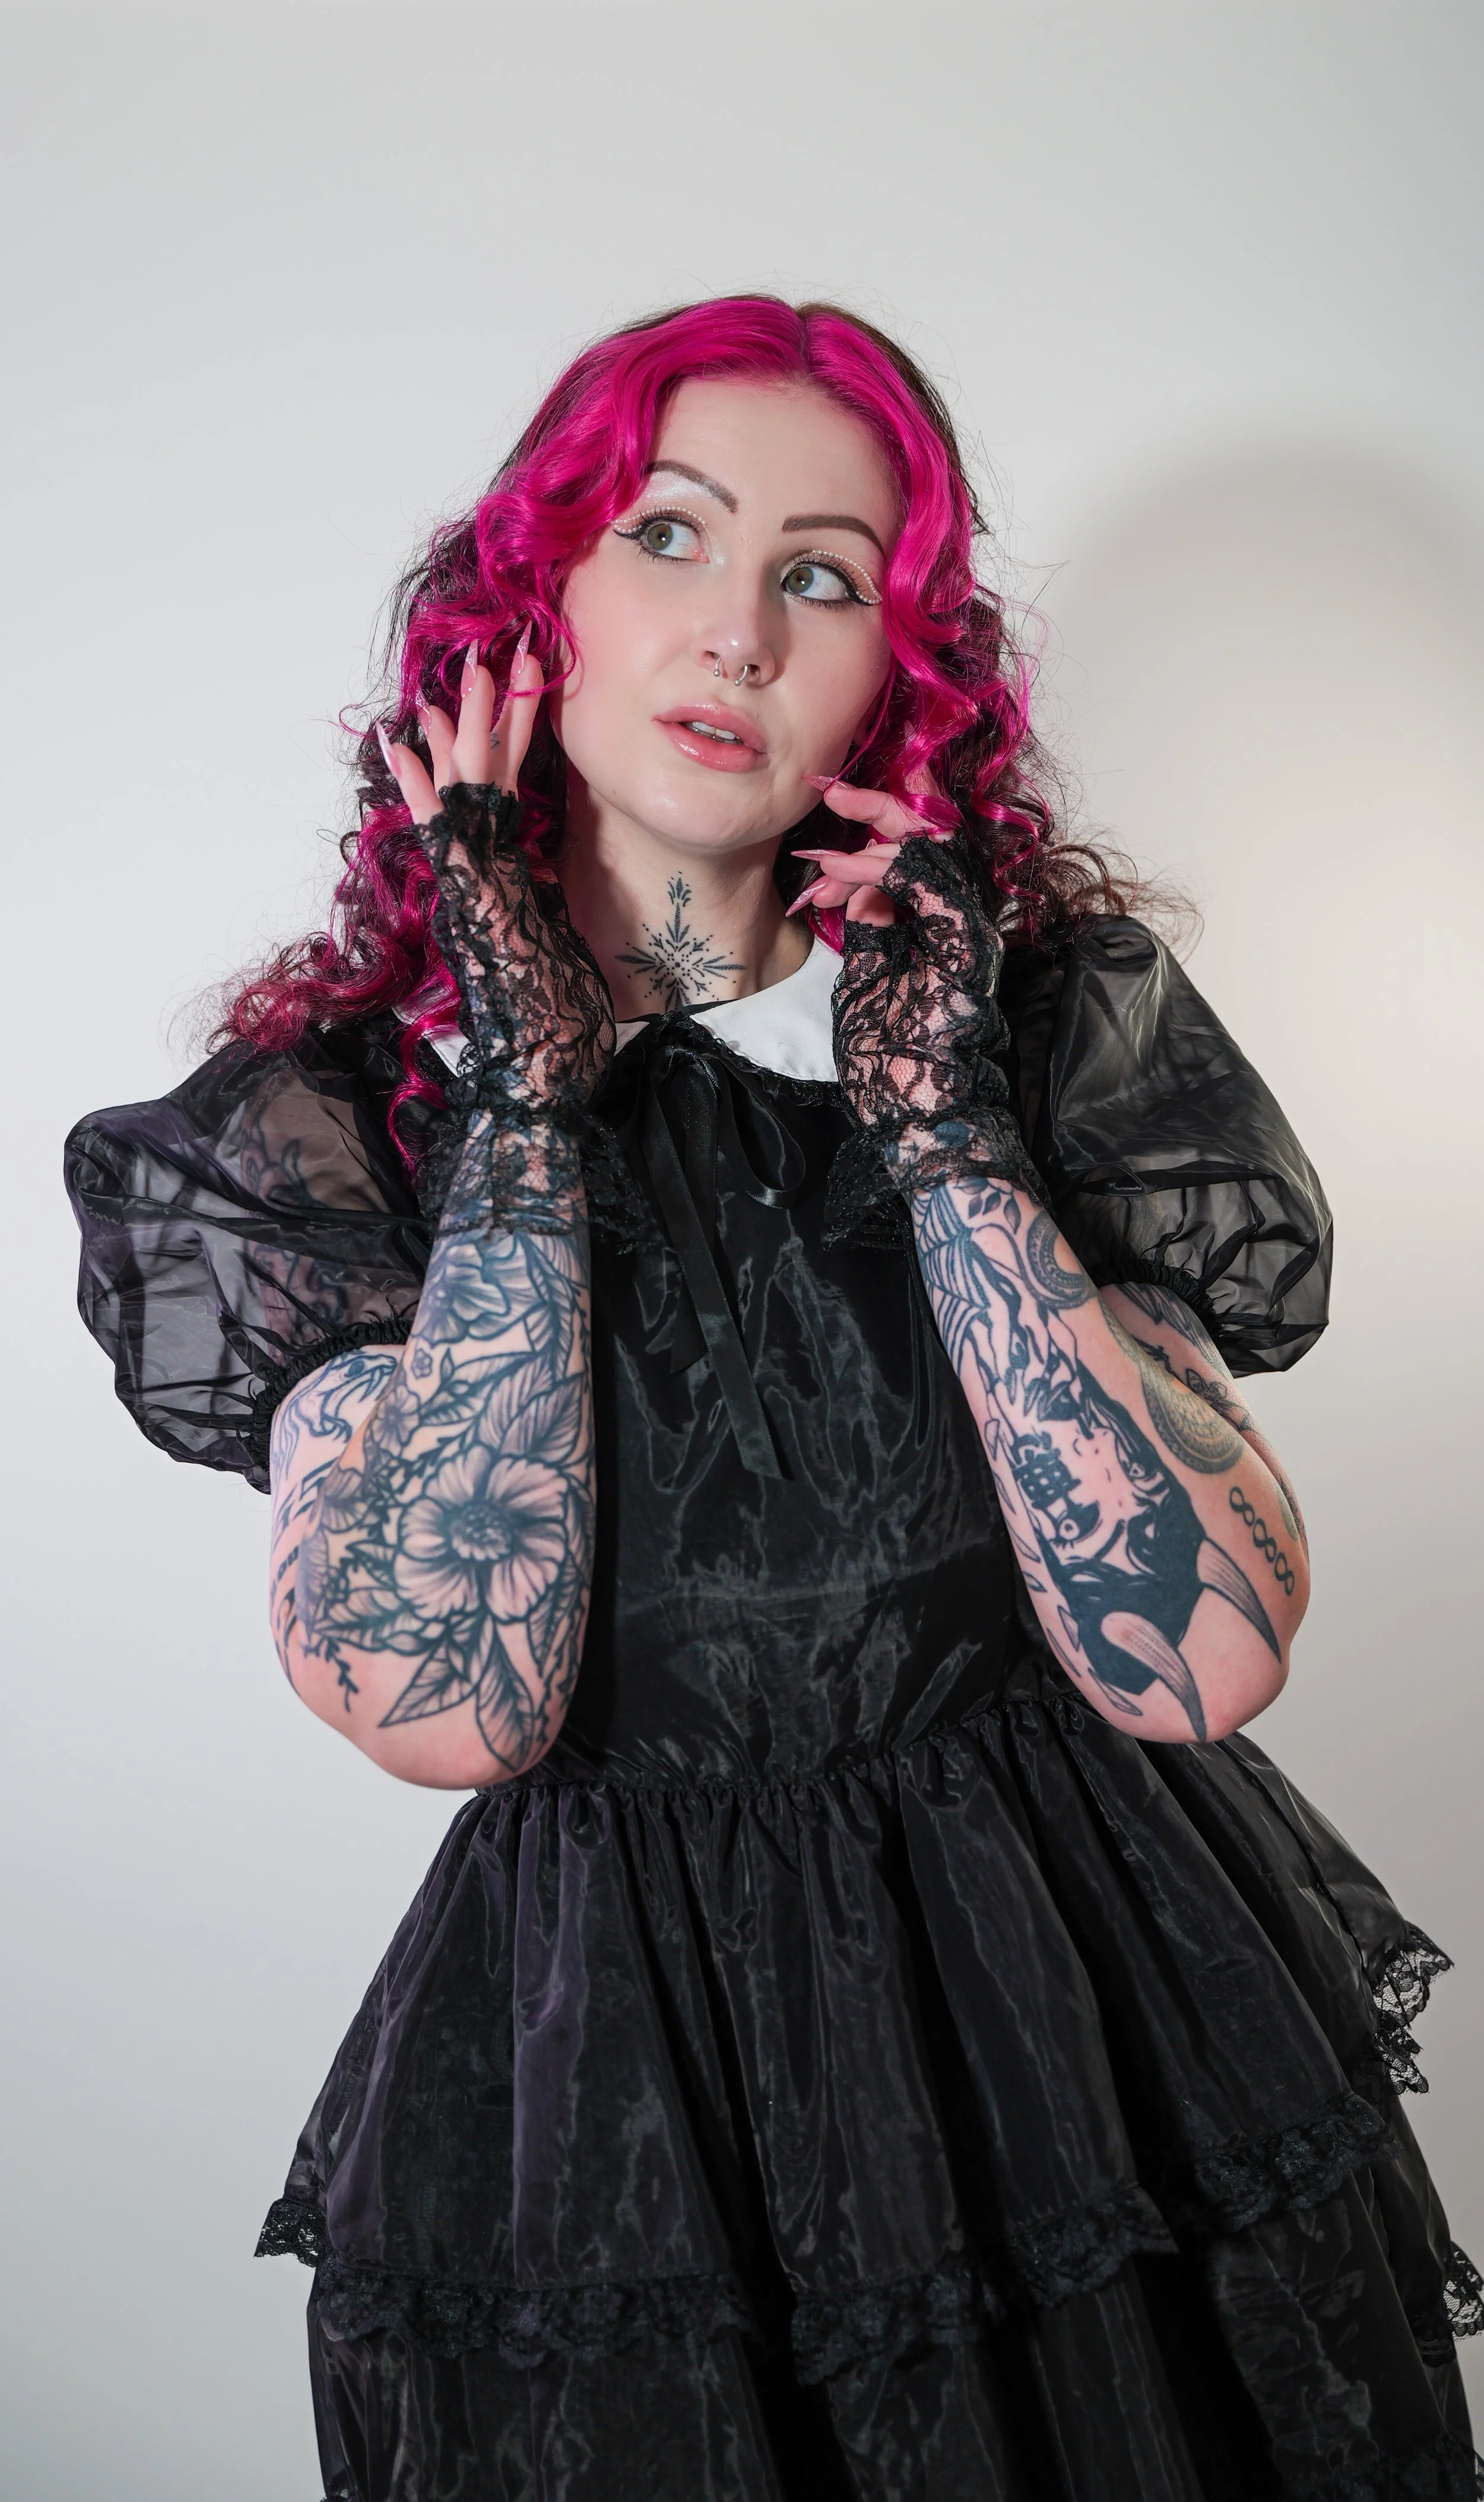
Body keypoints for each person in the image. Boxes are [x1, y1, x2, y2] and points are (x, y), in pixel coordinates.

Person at [65, 297, 1479, 2502]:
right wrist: (529, 1113)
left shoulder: (1030, 1035)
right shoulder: (338, 1129)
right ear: (525, 605)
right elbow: (453, 1700)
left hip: (1083, 2028)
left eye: (819, 573)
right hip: (631, 2104)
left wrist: (943, 1133)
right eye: (667, 535)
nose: (735, 627)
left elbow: (1199, 1658)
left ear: (892, 672)